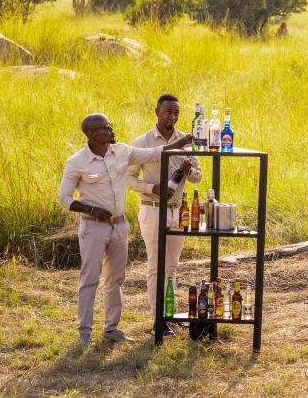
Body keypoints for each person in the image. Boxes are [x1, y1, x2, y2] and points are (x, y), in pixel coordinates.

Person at [58, 113, 192, 346]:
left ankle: (111, 329)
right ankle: (84, 333)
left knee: (115, 279)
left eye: (110, 125)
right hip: (93, 227)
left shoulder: (122, 151)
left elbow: (154, 153)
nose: (111, 130)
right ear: (91, 134)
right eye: (105, 128)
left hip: (119, 226)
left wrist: (182, 142)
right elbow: (64, 198)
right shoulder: (77, 161)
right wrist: (91, 209)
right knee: (90, 279)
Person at [125, 94, 202, 336]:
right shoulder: (142, 142)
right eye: (168, 111)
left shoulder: (186, 141)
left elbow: (198, 175)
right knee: (156, 265)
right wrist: (153, 188)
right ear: (156, 111)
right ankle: (158, 319)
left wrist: (189, 171)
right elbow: (128, 178)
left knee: (172, 265)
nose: (173, 116)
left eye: (177, 112)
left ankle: (168, 312)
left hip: (178, 211)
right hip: (152, 208)